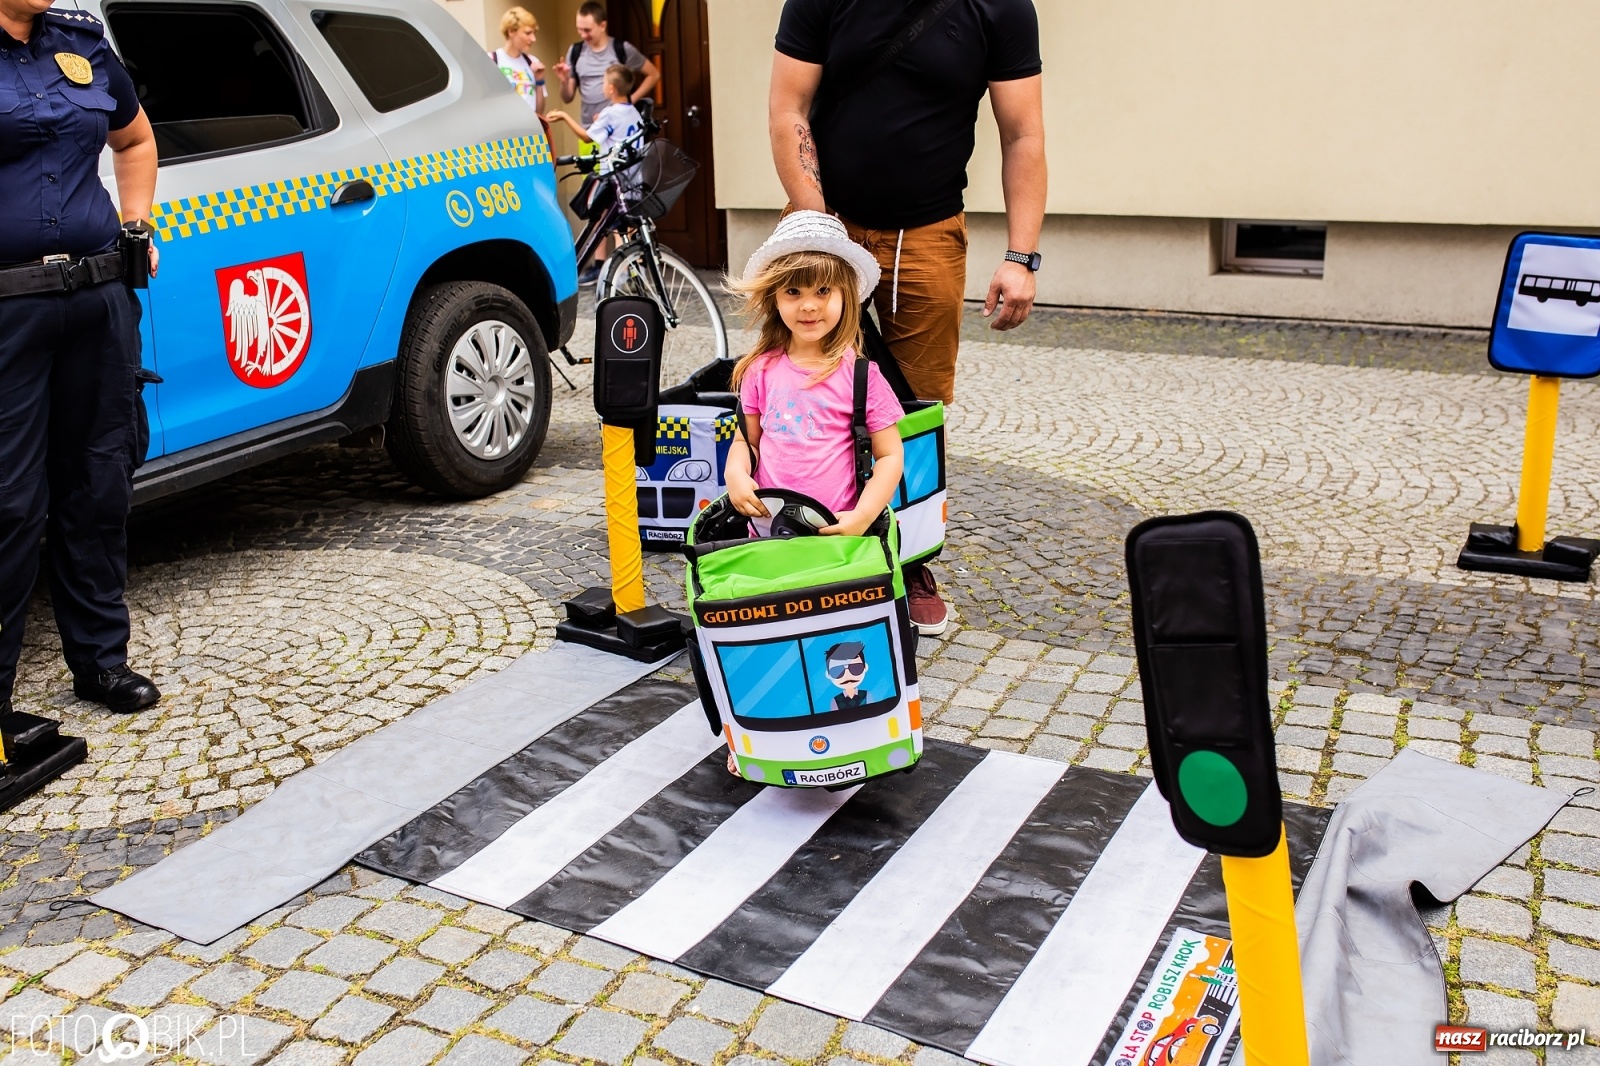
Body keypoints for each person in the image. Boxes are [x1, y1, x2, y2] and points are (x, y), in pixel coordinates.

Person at [768, 0, 1047, 636]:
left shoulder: (1000, 7)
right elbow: (789, 110)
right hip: (825, 220)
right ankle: (810, 540)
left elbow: (1022, 133)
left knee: (915, 410)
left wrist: (1021, 255)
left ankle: (911, 556)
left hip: (927, 233)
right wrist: (819, 229)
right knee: (810, 386)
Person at [0, 0, 162, 715]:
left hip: (97, 298)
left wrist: (136, 226)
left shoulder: (81, 43)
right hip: (7, 309)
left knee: (98, 486)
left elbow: (133, 141)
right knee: (8, 503)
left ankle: (100, 664)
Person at [721, 210, 905, 773]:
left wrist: (861, 515)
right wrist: (734, 476)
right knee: (772, 634)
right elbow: (746, 443)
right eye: (794, 291)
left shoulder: (860, 375)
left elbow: (892, 455)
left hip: (838, 538)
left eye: (823, 290)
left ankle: (853, 730)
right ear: (773, 298)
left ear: (846, 296)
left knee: (840, 644)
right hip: (770, 534)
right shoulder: (760, 371)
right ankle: (762, 736)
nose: (808, 305)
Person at [553, 1, 658, 126]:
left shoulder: (621, 49)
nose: (583, 35)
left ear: (602, 26)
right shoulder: (575, 51)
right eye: (579, 30)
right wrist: (564, 81)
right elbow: (567, 98)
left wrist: (630, 100)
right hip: (588, 129)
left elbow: (654, 74)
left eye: (587, 30)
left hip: (618, 127)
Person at [544, 65, 642, 153]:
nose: (602, 86)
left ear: (611, 88)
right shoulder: (635, 112)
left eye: (604, 82)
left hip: (615, 172)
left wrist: (564, 116)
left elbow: (587, 138)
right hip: (634, 172)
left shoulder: (610, 113)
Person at [490, 6, 545, 115]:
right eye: (528, 33)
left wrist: (539, 81)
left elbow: (539, 112)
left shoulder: (532, 62)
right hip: (504, 128)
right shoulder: (492, 60)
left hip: (529, 129)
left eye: (534, 33)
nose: (533, 39)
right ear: (511, 31)